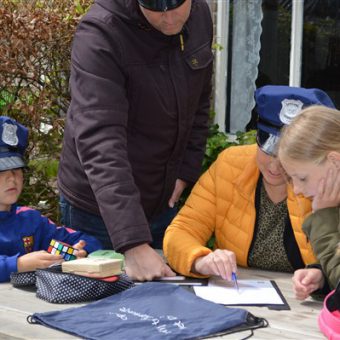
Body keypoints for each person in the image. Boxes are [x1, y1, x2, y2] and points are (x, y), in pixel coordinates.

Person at [57, 0, 213, 281]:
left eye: (175, 6)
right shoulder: (99, 33)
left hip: (162, 197)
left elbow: (199, 101)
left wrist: (185, 171)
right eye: (155, 8)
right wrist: (132, 242)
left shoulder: (199, 14)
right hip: (100, 210)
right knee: (101, 317)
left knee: (165, 310)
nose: (167, 19)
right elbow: (100, 139)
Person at [163, 85, 335, 282]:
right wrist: (200, 260)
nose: (275, 164)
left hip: (306, 306)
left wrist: (321, 276)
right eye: (267, 146)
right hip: (234, 291)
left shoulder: (325, 180)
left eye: (288, 156)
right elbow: (182, 230)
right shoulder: (230, 165)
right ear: (256, 136)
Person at [0, 116, 102, 283]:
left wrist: (80, 251)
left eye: (16, 169)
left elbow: (87, 240)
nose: (12, 178)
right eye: (1, 171)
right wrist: (18, 265)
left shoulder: (31, 221)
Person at [277, 105, 340, 300]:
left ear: (334, 162)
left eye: (302, 178)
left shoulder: (328, 209)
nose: (297, 189)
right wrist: (322, 277)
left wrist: (324, 219)